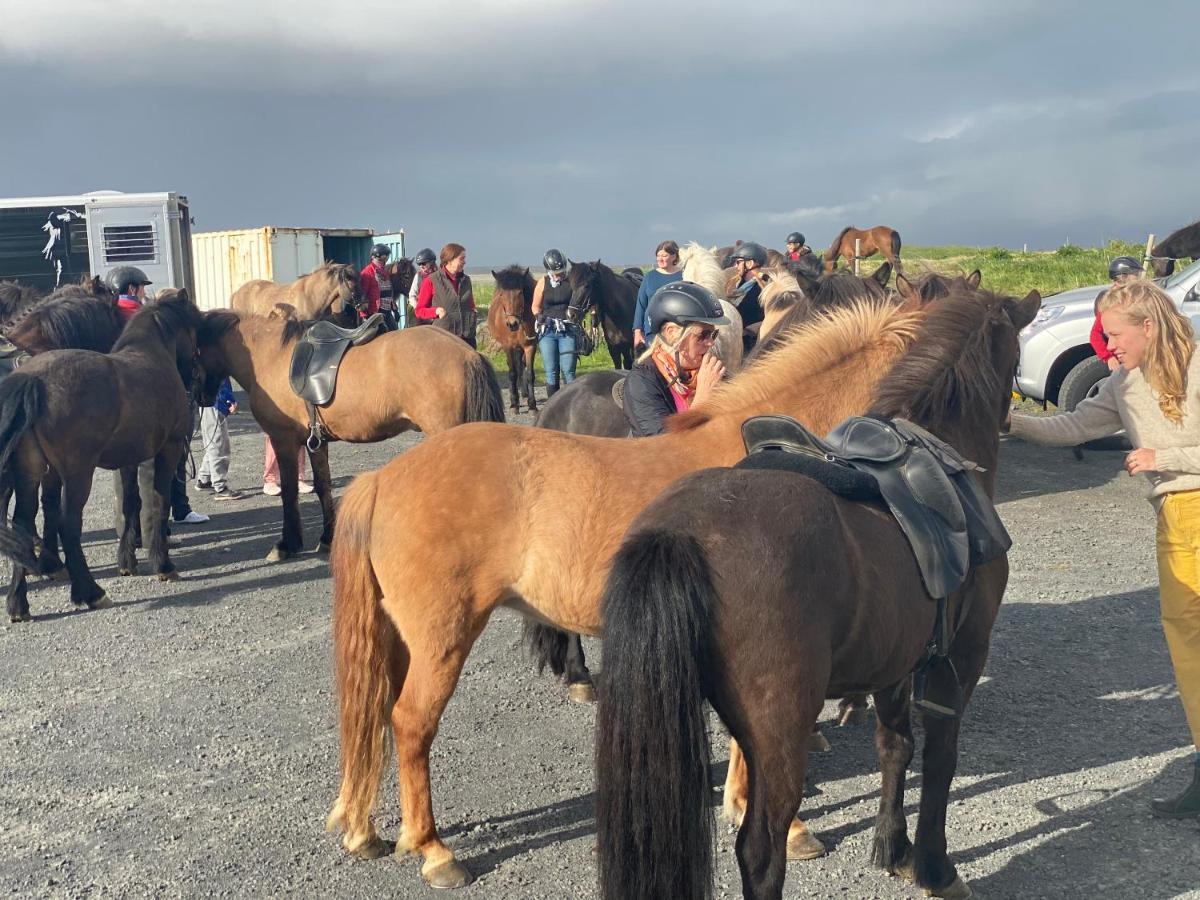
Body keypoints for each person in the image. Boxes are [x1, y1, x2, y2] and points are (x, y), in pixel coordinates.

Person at [1007, 280, 1200, 819]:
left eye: (1114, 335)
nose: (1106, 346)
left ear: (1150, 326)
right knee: (1189, 649)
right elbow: (1072, 427)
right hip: (1173, 519)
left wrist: (1167, 456)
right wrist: (1010, 422)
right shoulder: (1122, 382)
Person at [106, 266, 209, 526]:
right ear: (132, 288)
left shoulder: (108, 314)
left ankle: (129, 528)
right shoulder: (145, 317)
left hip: (118, 397)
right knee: (171, 455)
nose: (143, 292)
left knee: (125, 469)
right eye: (141, 287)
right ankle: (174, 514)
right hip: (158, 390)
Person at [623, 282, 728, 437]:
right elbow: (663, 446)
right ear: (672, 333)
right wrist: (702, 400)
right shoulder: (641, 382)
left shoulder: (711, 372)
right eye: (703, 335)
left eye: (713, 334)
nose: (711, 342)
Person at [531, 248, 577, 397]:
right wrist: (538, 316)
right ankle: (553, 404)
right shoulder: (542, 283)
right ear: (549, 271)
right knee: (551, 371)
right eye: (556, 274)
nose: (559, 276)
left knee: (568, 370)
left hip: (567, 330)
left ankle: (572, 403)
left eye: (562, 272)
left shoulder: (570, 282)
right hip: (548, 331)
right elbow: (535, 306)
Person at [414, 243, 477, 347]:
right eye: (461, 259)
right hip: (444, 340)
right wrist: (436, 311)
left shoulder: (466, 280)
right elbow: (419, 310)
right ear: (450, 260)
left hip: (468, 339)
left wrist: (473, 311)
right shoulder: (431, 281)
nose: (464, 262)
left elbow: (470, 303)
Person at [1091, 256, 1145, 372]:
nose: (1139, 278)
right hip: (1124, 359)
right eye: (1136, 274)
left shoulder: (1141, 296)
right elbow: (1095, 334)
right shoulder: (1111, 303)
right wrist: (1108, 357)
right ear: (1123, 277)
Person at [195, 378, 245, 500]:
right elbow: (219, 379)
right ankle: (220, 487)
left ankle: (204, 479)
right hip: (214, 402)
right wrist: (229, 399)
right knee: (219, 446)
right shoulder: (213, 359)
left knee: (213, 443)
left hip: (209, 401)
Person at [631, 240, 683, 353]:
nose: (660, 259)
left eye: (664, 255)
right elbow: (641, 305)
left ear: (674, 256)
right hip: (652, 332)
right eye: (658, 255)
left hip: (678, 332)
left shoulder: (683, 276)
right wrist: (637, 332)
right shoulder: (650, 277)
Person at [729, 242, 768, 350]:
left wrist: (751, 330)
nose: (735, 266)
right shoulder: (738, 285)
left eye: (738, 262)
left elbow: (773, 317)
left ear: (750, 263)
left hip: (755, 345)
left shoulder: (765, 287)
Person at [360, 244, 397, 330]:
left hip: (387, 311)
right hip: (374, 313)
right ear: (377, 257)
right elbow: (362, 295)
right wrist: (364, 316)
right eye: (385, 257)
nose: (386, 259)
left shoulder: (384, 272)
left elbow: (388, 292)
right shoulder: (367, 272)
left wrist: (394, 309)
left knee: (395, 332)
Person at [407, 247, 436, 324]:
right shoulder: (418, 276)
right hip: (421, 309)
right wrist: (418, 309)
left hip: (436, 310)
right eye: (419, 264)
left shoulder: (439, 276)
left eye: (423, 263)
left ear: (431, 262)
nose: (421, 266)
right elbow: (412, 295)